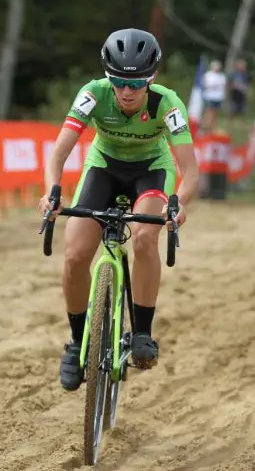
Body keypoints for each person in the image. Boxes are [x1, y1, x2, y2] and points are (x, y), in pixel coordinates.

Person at [39, 28, 199, 391]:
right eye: (119, 82)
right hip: (104, 168)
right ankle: (78, 340)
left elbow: (190, 170)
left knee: (145, 237)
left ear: (152, 79)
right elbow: (59, 151)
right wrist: (53, 190)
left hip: (151, 171)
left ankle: (142, 332)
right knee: (75, 255)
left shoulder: (167, 103)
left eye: (136, 83)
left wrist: (179, 204)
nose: (126, 92)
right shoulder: (93, 94)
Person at [201, 60, 227, 132]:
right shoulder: (208, 75)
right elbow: (206, 85)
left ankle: (213, 126)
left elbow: (223, 86)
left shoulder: (221, 76)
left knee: (215, 112)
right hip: (209, 96)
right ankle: (205, 125)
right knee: (208, 111)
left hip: (218, 97)